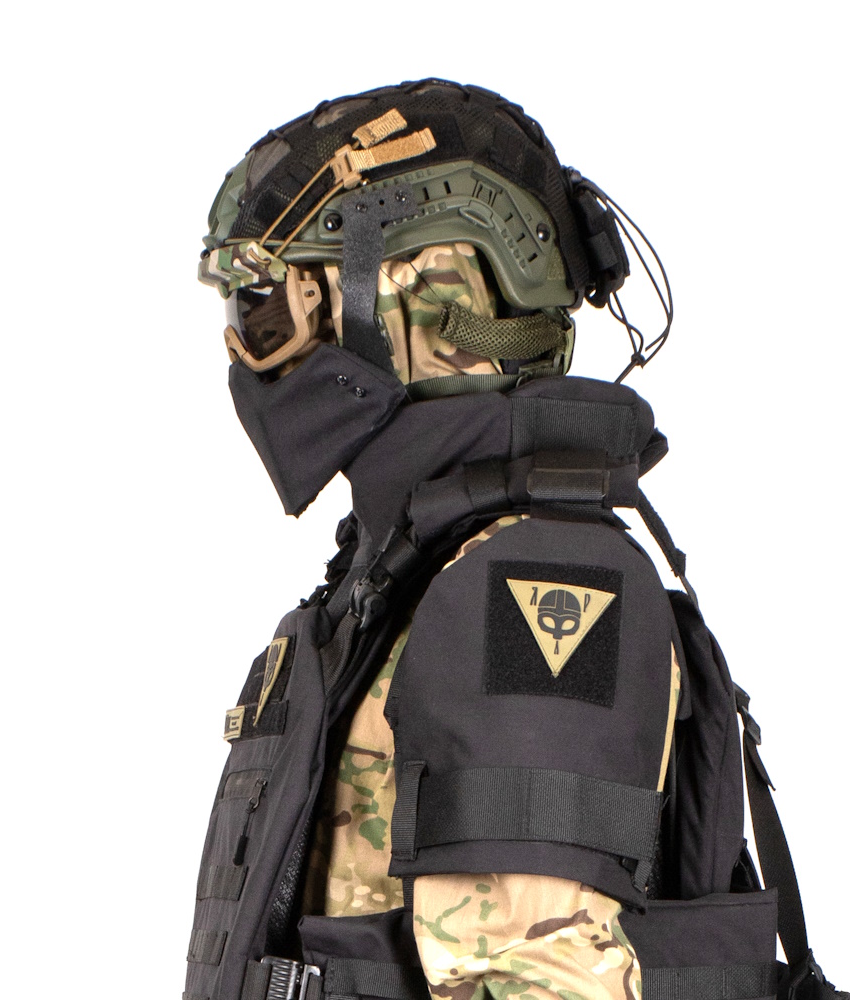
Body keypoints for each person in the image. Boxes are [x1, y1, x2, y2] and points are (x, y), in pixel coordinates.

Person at [191, 79, 679, 1000]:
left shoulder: (528, 586)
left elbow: (540, 978)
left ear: (418, 297)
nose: (252, 359)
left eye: (273, 314)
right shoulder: (412, 564)